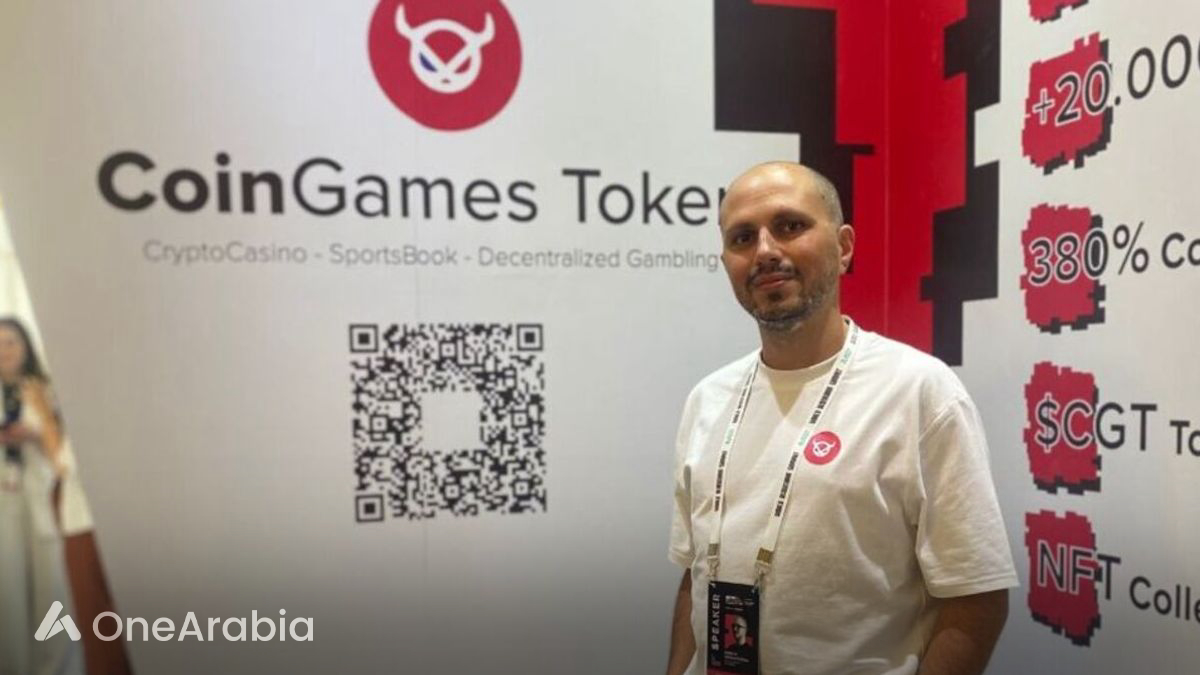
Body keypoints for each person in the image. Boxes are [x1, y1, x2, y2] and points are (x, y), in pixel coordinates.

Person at [665, 162, 1017, 675]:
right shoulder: (707, 399)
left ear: (843, 246)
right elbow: (695, 575)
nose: (765, 251)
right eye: (742, 237)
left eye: (790, 226)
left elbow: (976, 598)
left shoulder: (919, 391)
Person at [0, 317, 84, 675]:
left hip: (43, 498)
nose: (5, 351)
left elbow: (63, 454)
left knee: (53, 591)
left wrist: (34, 435)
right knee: (9, 595)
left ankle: (57, 668)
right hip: (5, 503)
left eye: (11, 342)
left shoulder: (44, 390)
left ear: (27, 347)